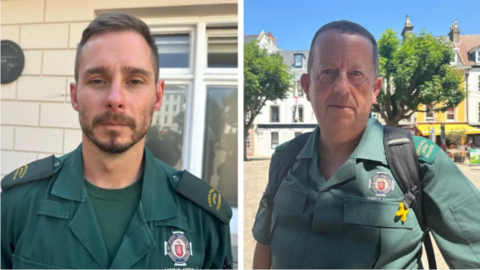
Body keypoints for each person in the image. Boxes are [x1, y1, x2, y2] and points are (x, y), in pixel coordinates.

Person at [1, 12, 233, 269]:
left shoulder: (202, 217)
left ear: (157, 97)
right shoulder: (17, 205)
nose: (115, 98)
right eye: (97, 80)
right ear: (75, 96)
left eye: (134, 81)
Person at [252, 20, 480, 269]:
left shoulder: (420, 164)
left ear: (375, 89)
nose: (341, 87)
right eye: (327, 71)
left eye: (356, 74)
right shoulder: (285, 159)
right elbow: (264, 245)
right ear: (307, 86)